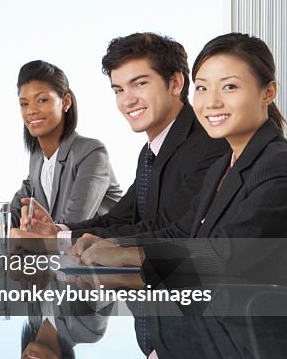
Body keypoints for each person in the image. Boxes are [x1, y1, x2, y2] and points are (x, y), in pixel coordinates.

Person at [79, 33, 287, 283]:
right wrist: (112, 242)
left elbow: (224, 254)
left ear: (268, 92)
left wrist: (128, 254)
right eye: (202, 87)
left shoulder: (283, 166)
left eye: (229, 87)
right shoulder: (224, 165)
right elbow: (180, 232)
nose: (211, 102)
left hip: (259, 318)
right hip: (215, 315)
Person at [15, 32, 229, 243]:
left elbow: (169, 228)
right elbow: (118, 219)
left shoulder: (208, 143)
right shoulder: (151, 151)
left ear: (175, 83)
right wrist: (57, 230)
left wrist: (60, 238)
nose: (127, 101)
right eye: (119, 90)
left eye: (139, 84)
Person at [9, 60, 122, 228]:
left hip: (100, 250)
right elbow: (15, 212)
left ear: (66, 102)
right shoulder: (37, 158)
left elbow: (73, 225)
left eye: (42, 100)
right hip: (62, 252)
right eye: (24, 104)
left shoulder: (91, 152)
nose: (30, 110)